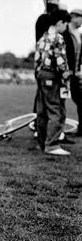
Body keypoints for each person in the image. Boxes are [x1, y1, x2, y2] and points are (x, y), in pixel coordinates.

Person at [34, 9, 72, 155]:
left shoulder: (42, 38)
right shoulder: (58, 38)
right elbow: (61, 61)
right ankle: (52, 145)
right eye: (65, 24)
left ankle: (42, 143)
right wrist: (66, 76)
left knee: (42, 111)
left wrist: (39, 74)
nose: (66, 28)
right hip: (52, 75)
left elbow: (37, 61)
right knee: (56, 110)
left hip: (41, 74)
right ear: (60, 22)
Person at [63, 9, 82, 137]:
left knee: (79, 100)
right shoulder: (65, 33)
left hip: (76, 73)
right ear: (74, 17)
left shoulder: (79, 35)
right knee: (58, 102)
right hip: (65, 73)